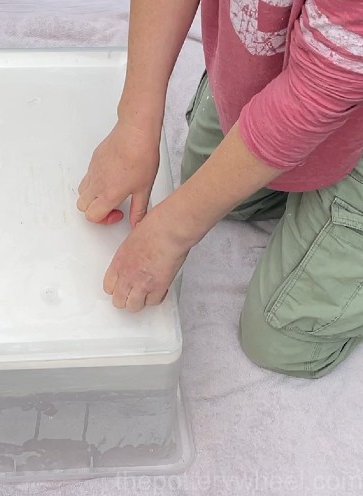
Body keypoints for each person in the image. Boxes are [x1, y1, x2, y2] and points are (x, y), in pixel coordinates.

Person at [76, 0, 363, 379]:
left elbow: (315, 95)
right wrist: (135, 123)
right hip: (299, 65)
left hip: (340, 93)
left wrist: (171, 232)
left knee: (283, 343)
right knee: (222, 196)